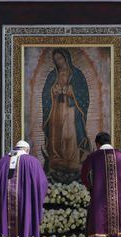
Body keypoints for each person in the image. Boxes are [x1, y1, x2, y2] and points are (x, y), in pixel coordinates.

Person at [42, 48, 91, 179]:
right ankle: (56, 159)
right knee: (56, 134)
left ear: (66, 58)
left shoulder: (77, 74)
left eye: (60, 59)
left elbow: (84, 94)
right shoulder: (52, 76)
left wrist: (70, 90)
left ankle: (72, 161)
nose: (58, 62)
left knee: (69, 134)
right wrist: (53, 91)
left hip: (70, 109)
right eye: (56, 60)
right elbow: (45, 94)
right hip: (56, 109)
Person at [0, 140, 48, 237]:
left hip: (4, 207)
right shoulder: (33, 162)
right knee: (25, 233)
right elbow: (42, 184)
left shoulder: (1, 163)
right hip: (25, 205)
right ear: (27, 150)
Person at [81, 132, 121, 237]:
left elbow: (85, 178)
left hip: (100, 207)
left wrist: (93, 190)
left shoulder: (92, 158)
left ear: (97, 143)